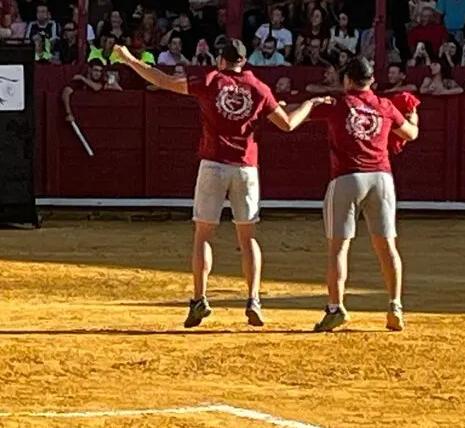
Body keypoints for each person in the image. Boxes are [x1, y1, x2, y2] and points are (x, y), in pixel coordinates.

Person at [113, 39, 331, 328]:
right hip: (245, 168)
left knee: (203, 234)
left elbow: (163, 81)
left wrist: (129, 59)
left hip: (214, 164)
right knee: (248, 237)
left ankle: (200, 299)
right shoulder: (258, 88)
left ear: (220, 60)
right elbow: (288, 124)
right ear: (244, 61)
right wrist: (309, 104)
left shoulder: (211, 80)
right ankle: (254, 299)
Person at [309, 57, 419, 332]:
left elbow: (299, 116)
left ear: (347, 80)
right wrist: (413, 112)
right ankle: (396, 305)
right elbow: (411, 133)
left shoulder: (338, 104)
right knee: (387, 246)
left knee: (339, 247)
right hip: (381, 178)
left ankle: (335, 308)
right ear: (371, 80)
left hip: (347, 178)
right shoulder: (385, 106)